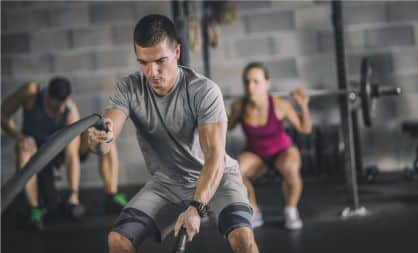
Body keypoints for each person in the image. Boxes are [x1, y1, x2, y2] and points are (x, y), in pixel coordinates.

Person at [88, 14, 259, 253]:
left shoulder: (204, 91)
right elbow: (106, 138)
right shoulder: (128, 88)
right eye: (143, 63)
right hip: (165, 183)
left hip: (217, 178)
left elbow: (214, 159)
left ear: (177, 52)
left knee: (243, 239)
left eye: (160, 61)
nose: (152, 72)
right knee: (118, 240)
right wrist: (99, 141)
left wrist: (196, 208)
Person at [0, 77, 127, 230]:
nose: (60, 109)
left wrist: (73, 196)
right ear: (47, 96)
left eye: (63, 105)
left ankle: (111, 195)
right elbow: (2, 114)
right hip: (37, 151)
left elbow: (72, 155)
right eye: (55, 107)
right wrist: (21, 137)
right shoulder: (30, 93)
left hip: (61, 150)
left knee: (105, 139)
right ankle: (34, 209)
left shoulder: (70, 111)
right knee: (23, 151)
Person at [228, 62, 312, 229]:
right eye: (247, 82)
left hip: (282, 151)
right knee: (234, 171)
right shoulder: (239, 106)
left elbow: (305, 128)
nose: (250, 86)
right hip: (256, 154)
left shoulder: (280, 105)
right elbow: (226, 127)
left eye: (255, 81)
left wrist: (303, 106)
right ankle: (254, 210)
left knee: (290, 168)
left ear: (267, 83)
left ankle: (291, 210)